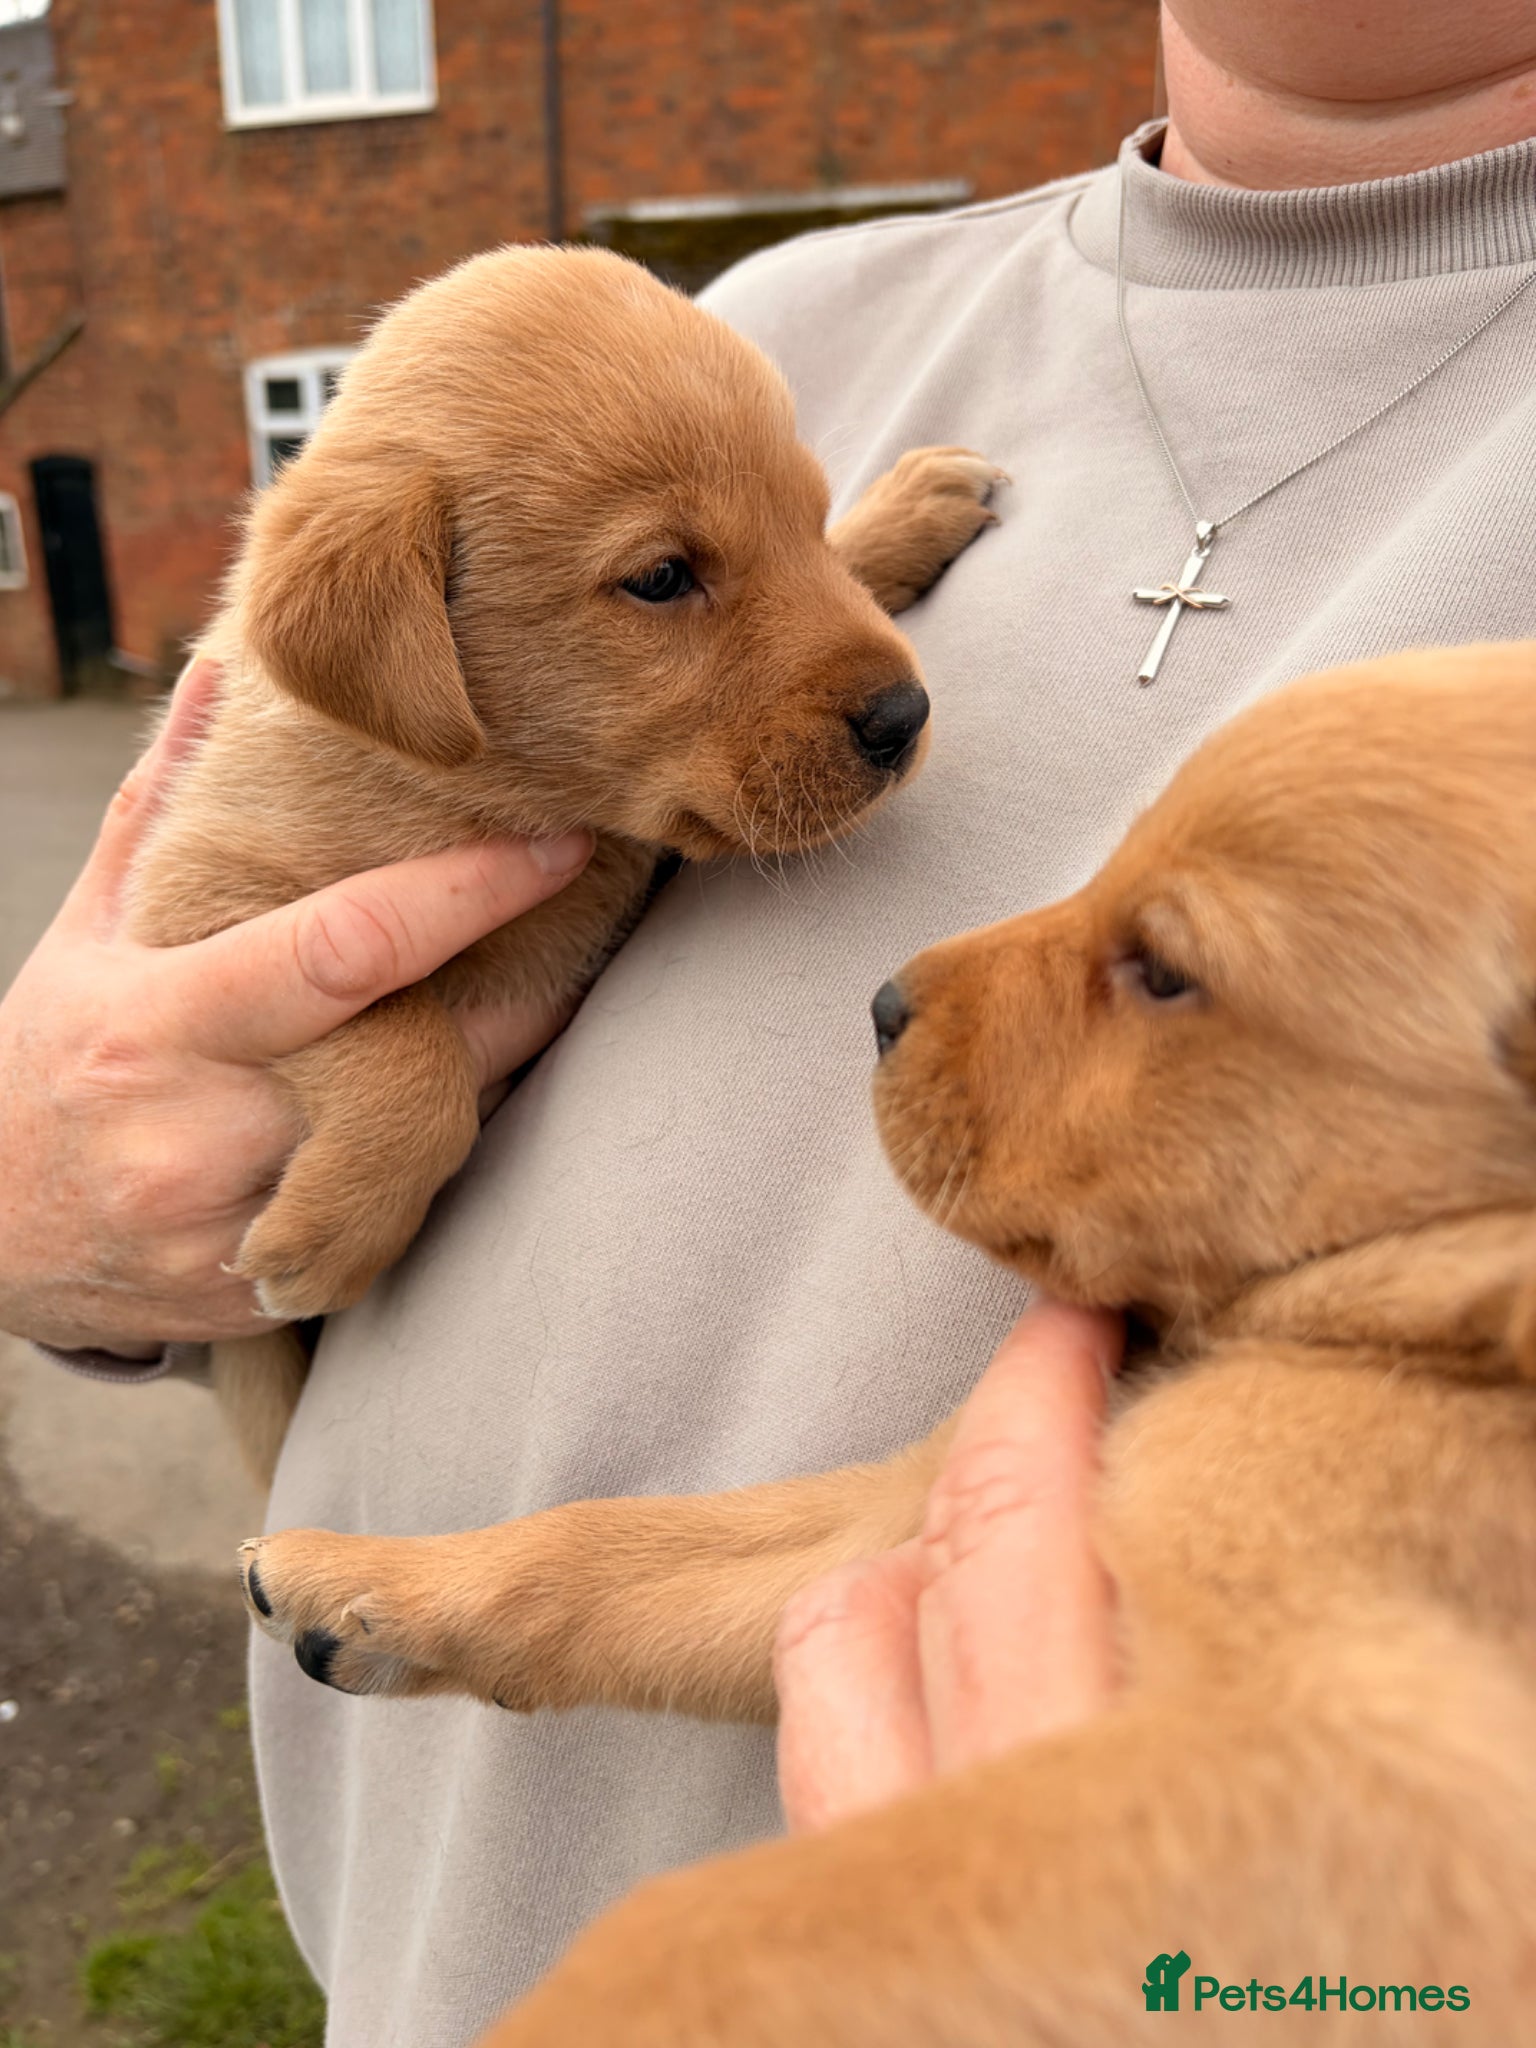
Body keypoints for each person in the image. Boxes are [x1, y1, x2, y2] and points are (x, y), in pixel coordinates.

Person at [3, 1, 1535, 2038]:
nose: (856, 636)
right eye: (687, 575)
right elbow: (167, 1055)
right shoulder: (770, 319)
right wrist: (56, 1209)